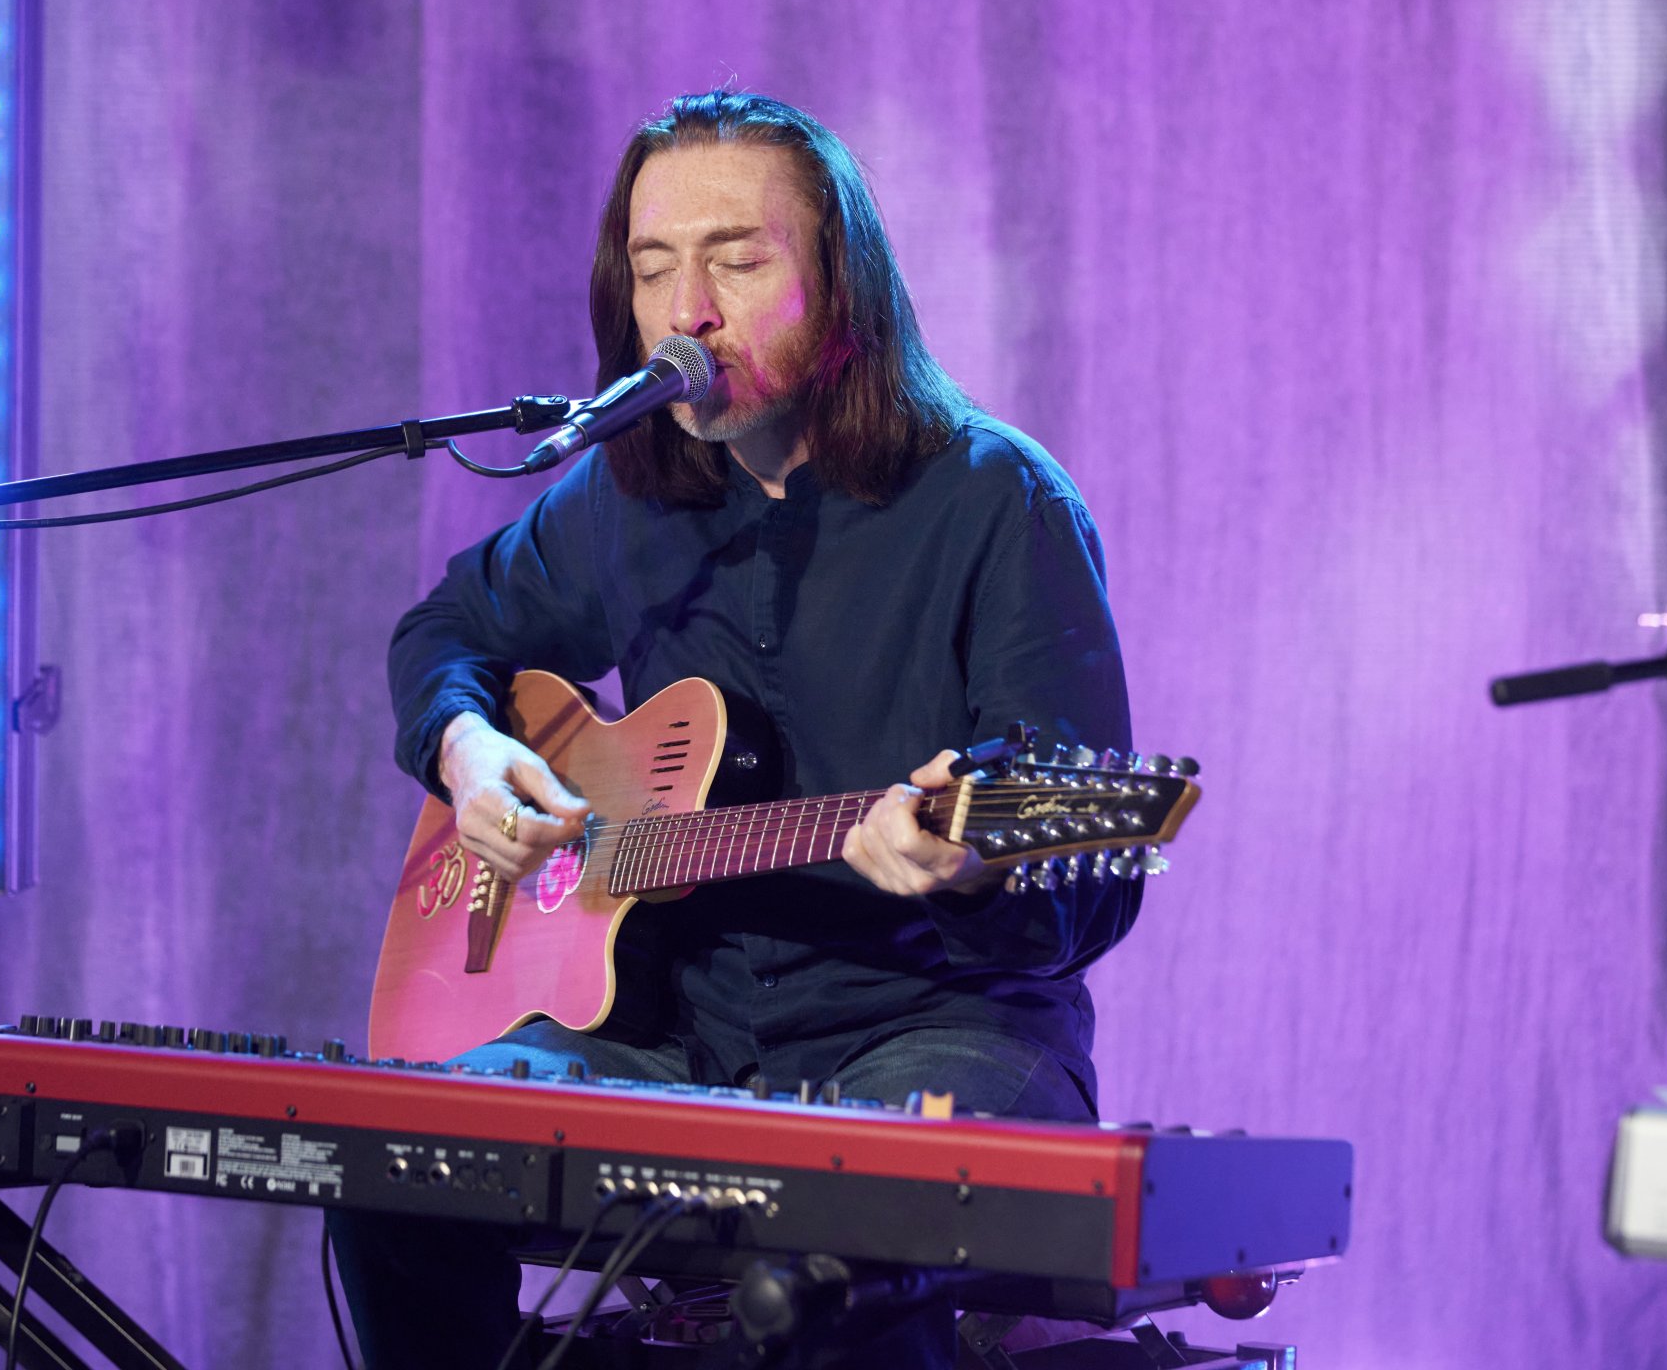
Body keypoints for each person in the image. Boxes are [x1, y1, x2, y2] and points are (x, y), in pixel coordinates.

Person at [337, 89, 1138, 1369]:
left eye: (736, 261)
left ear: (842, 285)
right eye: (653, 267)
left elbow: (1089, 881)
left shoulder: (999, 502)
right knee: (390, 1164)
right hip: (668, 1039)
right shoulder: (623, 498)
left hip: (938, 1035)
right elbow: (448, 630)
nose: (686, 312)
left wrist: (972, 866)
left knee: (836, 1243)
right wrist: (466, 746)